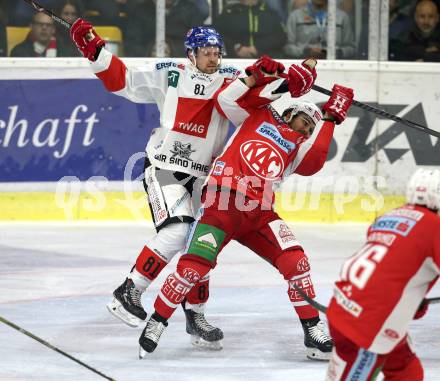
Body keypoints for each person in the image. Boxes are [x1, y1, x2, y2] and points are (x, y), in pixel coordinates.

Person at [69, 20, 281, 349]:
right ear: (190, 54)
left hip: (204, 176)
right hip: (165, 168)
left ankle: (196, 316)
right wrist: (93, 49)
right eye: (206, 53)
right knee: (176, 232)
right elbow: (122, 79)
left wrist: (278, 75)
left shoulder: (231, 80)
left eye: (217, 53)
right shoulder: (169, 71)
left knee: (202, 242)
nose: (213, 58)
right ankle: (129, 290)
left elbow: (262, 103)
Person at [137, 58, 354, 359]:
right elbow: (227, 100)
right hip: (222, 204)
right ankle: (157, 322)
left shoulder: (296, 148)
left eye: (309, 128)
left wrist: (330, 119)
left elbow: (315, 161)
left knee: (296, 262)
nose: (304, 129)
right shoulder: (260, 114)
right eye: (303, 121)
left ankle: (312, 331)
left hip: (259, 214)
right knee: (193, 266)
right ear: (289, 111)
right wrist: (286, 81)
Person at [325, 168, 440, 380]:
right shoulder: (435, 228)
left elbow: (391, 269)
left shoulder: (388, 217)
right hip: (366, 328)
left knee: (406, 371)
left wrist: (413, 301)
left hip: (343, 307)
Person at [284, 0, 356, 59]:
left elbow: (351, 48)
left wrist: (337, 52)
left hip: (333, 66)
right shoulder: (296, 16)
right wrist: (306, 52)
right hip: (304, 66)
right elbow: (287, 47)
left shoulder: (342, 17)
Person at [215, 0, 286, 58]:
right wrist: (236, 47)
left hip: (266, 60)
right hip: (234, 61)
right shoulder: (229, 12)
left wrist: (258, 47)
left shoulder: (270, 12)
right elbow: (216, 34)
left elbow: (281, 37)